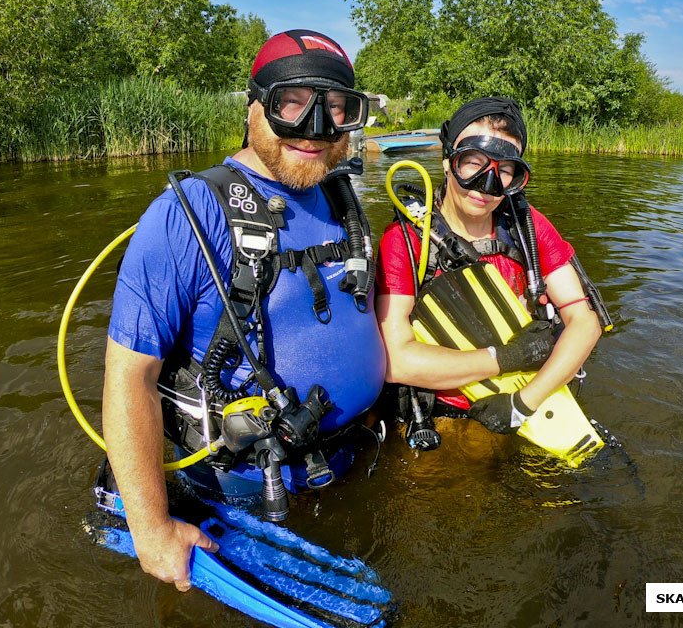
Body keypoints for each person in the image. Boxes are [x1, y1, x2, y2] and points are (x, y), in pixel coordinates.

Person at [103, 30, 387, 591]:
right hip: (248, 497)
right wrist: (152, 527)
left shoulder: (341, 197)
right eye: (292, 103)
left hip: (358, 463)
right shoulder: (185, 216)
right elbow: (127, 376)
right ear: (254, 106)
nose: (315, 128)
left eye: (336, 108)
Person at [375, 96, 602, 435]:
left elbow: (585, 321)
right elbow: (393, 359)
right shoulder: (405, 241)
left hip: (533, 401)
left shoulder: (526, 226)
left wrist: (522, 404)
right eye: (473, 162)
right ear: (448, 158)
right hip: (446, 418)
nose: (486, 184)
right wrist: (505, 358)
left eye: (504, 171)